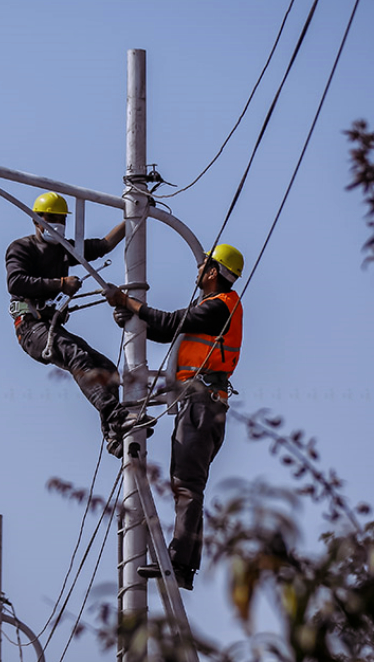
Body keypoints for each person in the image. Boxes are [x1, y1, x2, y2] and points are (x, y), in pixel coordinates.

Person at [102, 243, 244, 590]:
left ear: (212, 272)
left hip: (203, 405)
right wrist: (133, 318)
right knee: (185, 484)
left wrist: (128, 303)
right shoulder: (208, 308)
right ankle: (181, 563)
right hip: (196, 404)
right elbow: (167, 330)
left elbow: (172, 321)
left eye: (203, 266)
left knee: (187, 485)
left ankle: (180, 563)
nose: (198, 271)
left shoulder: (222, 306)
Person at [6, 191, 136, 445]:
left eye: (60, 219)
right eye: (50, 218)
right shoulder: (22, 248)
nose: (56, 223)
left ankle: (112, 433)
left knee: (107, 368)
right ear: (36, 219)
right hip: (31, 328)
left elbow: (105, 245)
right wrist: (60, 283)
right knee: (75, 353)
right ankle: (115, 416)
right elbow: (16, 282)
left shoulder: (65, 249)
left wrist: (135, 217)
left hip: (50, 325)